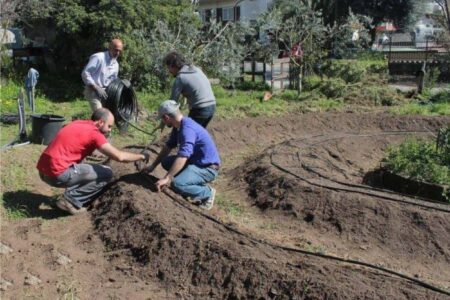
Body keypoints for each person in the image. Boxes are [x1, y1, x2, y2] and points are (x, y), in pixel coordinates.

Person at [37, 108, 149, 215]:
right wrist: (142, 156)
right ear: (100, 122)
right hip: (57, 174)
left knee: (84, 167)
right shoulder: (95, 134)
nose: (110, 130)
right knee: (107, 173)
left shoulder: (78, 123)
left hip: (43, 171)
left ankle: (69, 195)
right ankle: (70, 201)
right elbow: (120, 157)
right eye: (109, 126)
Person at [142, 100, 220, 210]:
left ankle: (207, 193)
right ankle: (187, 180)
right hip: (195, 162)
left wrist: (167, 178)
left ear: (166, 117)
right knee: (166, 162)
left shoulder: (187, 130)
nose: (163, 123)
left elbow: (183, 156)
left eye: (162, 120)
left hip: (207, 168)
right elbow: (168, 146)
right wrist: (153, 166)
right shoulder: (178, 126)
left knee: (177, 184)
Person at [163, 51, 216, 128]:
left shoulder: (180, 78)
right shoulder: (196, 69)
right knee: (198, 133)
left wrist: (165, 122)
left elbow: (171, 104)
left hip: (200, 109)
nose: (169, 71)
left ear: (173, 66)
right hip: (212, 106)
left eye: (168, 67)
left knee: (187, 132)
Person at [82, 39, 124, 112]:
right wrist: (96, 87)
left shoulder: (116, 65)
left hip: (105, 92)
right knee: (101, 114)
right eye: (116, 50)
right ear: (110, 48)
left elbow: (113, 81)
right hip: (92, 90)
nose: (117, 53)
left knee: (109, 114)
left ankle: (93, 122)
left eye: (119, 51)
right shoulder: (99, 57)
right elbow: (85, 73)